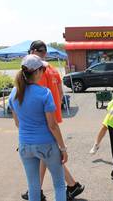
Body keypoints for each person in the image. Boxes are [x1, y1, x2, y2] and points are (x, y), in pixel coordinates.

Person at [21, 40, 84, 201]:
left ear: (33, 51)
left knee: (47, 160)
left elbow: (32, 100)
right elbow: (61, 94)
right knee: (49, 158)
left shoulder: (38, 73)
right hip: (52, 118)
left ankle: (63, 186)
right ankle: (72, 184)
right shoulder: (52, 69)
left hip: (42, 125)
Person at [9, 54, 67, 201]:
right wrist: (63, 148)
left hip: (25, 146)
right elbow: (52, 125)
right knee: (59, 185)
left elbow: (18, 124)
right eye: (42, 69)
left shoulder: (14, 93)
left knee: (33, 187)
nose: (44, 71)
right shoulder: (44, 93)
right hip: (46, 145)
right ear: (36, 72)